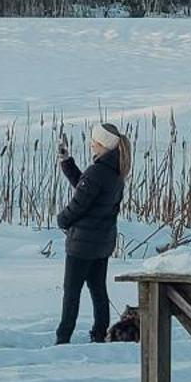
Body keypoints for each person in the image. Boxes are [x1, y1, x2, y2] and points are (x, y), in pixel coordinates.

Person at [54, 122, 128, 345]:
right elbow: (85, 187)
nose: (91, 145)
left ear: (102, 144)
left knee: (72, 292)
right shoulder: (115, 171)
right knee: (98, 290)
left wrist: (61, 219)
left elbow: (79, 203)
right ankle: (99, 333)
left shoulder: (98, 171)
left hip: (83, 244)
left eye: (93, 141)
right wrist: (67, 162)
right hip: (102, 242)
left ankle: (63, 338)